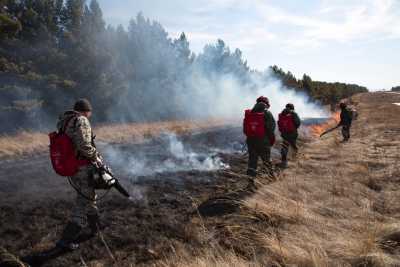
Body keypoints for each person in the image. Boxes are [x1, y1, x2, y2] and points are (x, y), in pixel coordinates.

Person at [55, 99, 102, 250]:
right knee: (83, 202)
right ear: (85, 111)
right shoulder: (81, 120)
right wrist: (96, 156)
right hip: (82, 168)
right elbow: (83, 145)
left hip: (72, 167)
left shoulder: (65, 120)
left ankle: (96, 227)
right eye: (89, 112)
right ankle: (66, 240)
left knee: (89, 196)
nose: (90, 115)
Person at [243, 96, 276, 177]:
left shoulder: (249, 113)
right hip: (263, 141)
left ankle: (250, 183)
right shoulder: (267, 113)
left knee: (252, 162)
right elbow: (271, 128)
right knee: (267, 160)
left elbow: (245, 129)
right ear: (266, 104)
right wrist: (270, 140)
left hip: (251, 141)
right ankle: (272, 177)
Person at [277, 103, 301, 168]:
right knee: (293, 145)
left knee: (285, 147)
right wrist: (294, 128)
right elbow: (298, 123)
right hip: (292, 133)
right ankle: (295, 158)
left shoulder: (281, 114)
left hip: (284, 134)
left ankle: (283, 161)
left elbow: (279, 123)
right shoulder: (293, 113)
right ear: (292, 108)